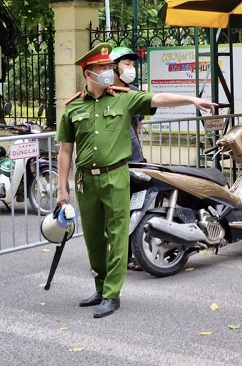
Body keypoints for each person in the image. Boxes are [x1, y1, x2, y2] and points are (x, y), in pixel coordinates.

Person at [55, 43, 215, 318]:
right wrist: (62, 189)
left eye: (109, 67)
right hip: (85, 181)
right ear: (88, 73)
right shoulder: (72, 108)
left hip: (116, 176)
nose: (108, 72)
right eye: (102, 68)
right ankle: (100, 286)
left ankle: (112, 294)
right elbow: (65, 150)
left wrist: (192, 100)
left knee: (118, 235)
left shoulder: (124, 98)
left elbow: (158, 99)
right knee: (93, 238)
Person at [109, 46, 145, 272]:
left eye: (132, 64)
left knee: (135, 207)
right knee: (113, 212)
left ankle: (131, 256)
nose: (130, 68)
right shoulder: (104, 93)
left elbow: (137, 125)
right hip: (113, 161)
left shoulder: (134, 92)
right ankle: (107, 259)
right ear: (113, 67)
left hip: (134, 158)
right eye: (126, 64)